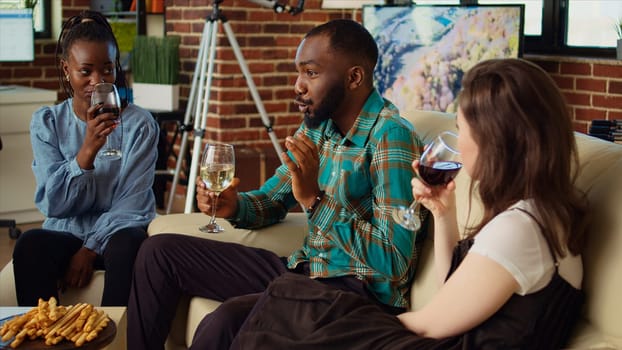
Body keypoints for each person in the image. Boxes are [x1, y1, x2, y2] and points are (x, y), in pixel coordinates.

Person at [225, 58, 591, 349]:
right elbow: (455, 291)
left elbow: (431, 323)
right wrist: (442, 214)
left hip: (438, 341)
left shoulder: (520, 229)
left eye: (463, 130)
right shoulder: (539, 213)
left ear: (498, 142)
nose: (458, 144)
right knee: (293, 298)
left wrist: (338, 325)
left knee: (296, 301)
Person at [127, 19, 426, 349]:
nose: (297, 85)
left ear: (354, 77)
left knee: (225, 320)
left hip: (354, 292)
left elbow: (394, 260)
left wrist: (315, 202)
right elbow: (273, 199)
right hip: (303, 271)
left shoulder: (390, 138)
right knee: (159, 252)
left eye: (311, 73)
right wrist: (234, 206)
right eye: (299, 72)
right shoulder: (318, 127)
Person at [12, 10, 159, 307]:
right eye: (86, 71)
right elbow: (53, 204)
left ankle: (112, 338)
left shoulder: (140, 124)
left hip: (117, 236)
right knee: (29, 245)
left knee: (128, 244)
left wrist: (90, 249)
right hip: (66, 234)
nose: (99, 81)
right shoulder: (48, 123)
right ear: (67, 69)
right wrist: (87, 151)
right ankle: (45, 334)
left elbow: (134, 203)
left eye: (107, 69)